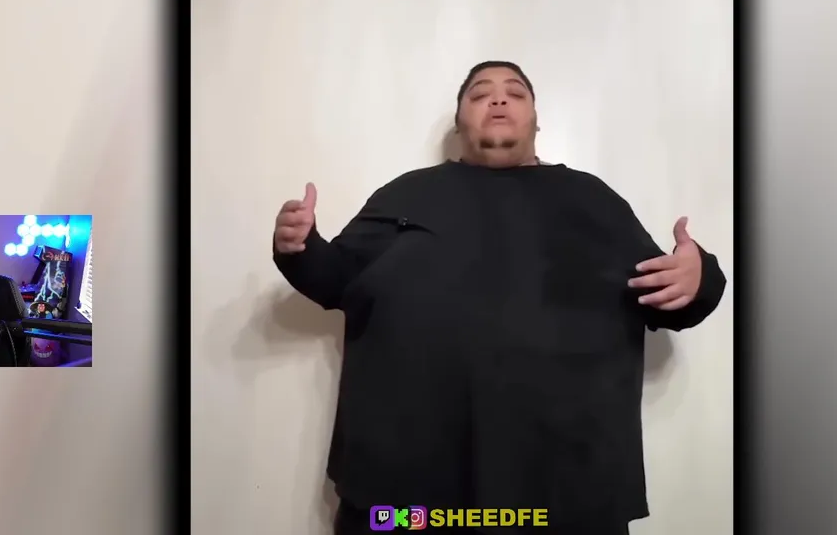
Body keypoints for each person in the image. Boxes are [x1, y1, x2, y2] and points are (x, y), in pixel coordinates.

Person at [272, 62, 728, 534]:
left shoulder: (594, 200)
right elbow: (333, 279)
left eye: (515, 92)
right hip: (407, 501)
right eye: (478, 94)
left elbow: (669, 294)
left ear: (536, 120)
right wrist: (298, 246)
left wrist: (701, 276)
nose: (497, 99)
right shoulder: (403, 195)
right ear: (459, 122)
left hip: (563, 500)